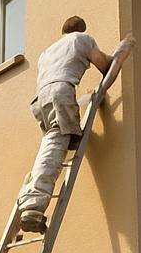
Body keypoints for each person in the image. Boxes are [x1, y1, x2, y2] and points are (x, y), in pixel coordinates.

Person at [17, 17, 133, 233]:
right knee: (54, 144)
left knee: (53, 141)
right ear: (80, 29)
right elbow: (105, 65)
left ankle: (29, 194)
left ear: (63, 31)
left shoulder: (47, 52)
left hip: (40, 100)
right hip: (60, 93)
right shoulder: (81, 39)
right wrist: (120, 53)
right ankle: (33, 205)